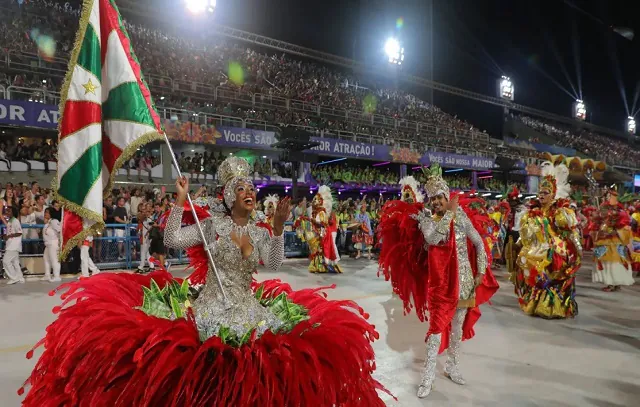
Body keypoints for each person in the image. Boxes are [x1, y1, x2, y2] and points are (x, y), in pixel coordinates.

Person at [21, 157, 389, 406]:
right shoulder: (213, 226)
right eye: (241, 188)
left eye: (252, 188)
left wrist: (277, 229)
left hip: (248, 307)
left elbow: (275, 262)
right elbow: (172, 242)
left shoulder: (259, 231)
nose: (250, 192)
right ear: (229, 196)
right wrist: (180, 203)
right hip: (212, 307)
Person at [378, 168, 498, 398]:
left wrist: (481, 270)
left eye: (439, 198)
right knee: (435, 332)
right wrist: (450, 216)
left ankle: (452, 366)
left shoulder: (461, 217)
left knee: (456, 331)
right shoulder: (427, 221)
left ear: (446, 196)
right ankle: (428, 376)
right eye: (432, 199)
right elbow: (434, 240)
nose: (435, 203)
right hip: (440, 286)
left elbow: (479, 243)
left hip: (463, 284)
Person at [512, 162, 582, 319]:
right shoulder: (532, 212)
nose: (541, 195)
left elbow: (570, 232)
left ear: (553, 194)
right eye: (540, 192)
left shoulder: (561, 211)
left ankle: (552, 306)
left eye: (545, 192)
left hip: (555, 251)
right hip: (537, 248)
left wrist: (577, 251)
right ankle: (536, 303)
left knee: (551, 276)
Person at [592, 188, 635, 291]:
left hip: (615, 239)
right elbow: (597, 222)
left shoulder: (620, 211)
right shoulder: (603, 208)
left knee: (615, 261)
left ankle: (614, 283)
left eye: (609, 196)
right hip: (604, 238)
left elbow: (625, 225)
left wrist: (615, 230)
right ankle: (611, 283)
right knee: (605, 260)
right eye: (607, 196)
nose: (607, 198)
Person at [305, 185, 342, 273]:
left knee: (324, 248)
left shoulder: (321, 211)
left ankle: (328, 265)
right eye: (314, 199)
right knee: (318, 249)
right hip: (319, 232)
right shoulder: (316, 211)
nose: (314, 201)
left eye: (317, 200)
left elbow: (322, 222)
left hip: (324, 232)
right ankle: (319, 266)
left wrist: (313, 220)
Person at [3, 205, 25, 285]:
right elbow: (10, 233)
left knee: (6, 261)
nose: (7, 212)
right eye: (6, 211)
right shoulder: (10, 221)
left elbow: (19, 233)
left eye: (9, 211)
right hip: (10, 244)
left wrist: (9, 236)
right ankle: (20, 278)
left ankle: (14, 278)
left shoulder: (15, 221)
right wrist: (5, 236)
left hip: (14, 245)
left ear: (13, 212)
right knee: (15, 262)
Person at [42, 208, 61, 282]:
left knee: (54, 259)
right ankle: (47, 275)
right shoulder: (48, 223)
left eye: (47, 212)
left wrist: (60, 242)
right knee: (46, 259)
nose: (45, 214)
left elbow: (60, 231)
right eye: (45, 212)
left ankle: (57, 276)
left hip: (53, 243)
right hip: (48, 244)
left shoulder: (54, 221)